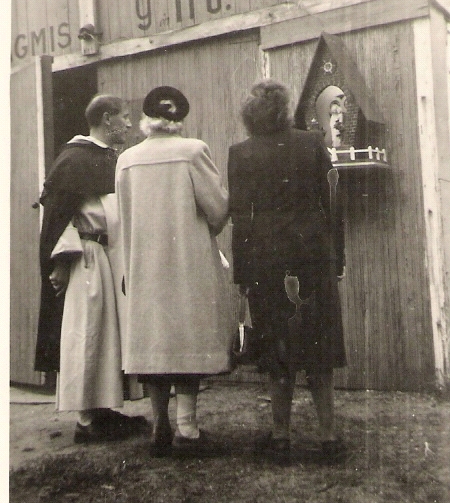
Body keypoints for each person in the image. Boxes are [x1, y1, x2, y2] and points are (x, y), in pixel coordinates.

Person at [228, 79, 347, 462]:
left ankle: (281, 438)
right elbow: (333, 203)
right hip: (313, 258)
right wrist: (337, 259)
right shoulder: (312, 143)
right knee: (320, 350)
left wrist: (242, 275)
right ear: (285, 108)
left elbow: (240, 220)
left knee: (278, 351)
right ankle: (329, 439)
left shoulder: (240, 153)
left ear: (248, 114)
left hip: (267, 260)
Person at [116, 86, 233, 453]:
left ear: (146, 121)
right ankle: (188, 428)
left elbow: (123, 215)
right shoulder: (193, 151)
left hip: (144, 263)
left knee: (154, 342)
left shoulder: (127, 159)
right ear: (179, 120)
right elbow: (217, 210)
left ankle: (160, 427)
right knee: (186, 339)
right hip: (187, 262)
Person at [35, 94, 147, 443]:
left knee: (108, 334)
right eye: (124, 117)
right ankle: (86, 420)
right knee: (88, 333)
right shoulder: (74, 159)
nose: (129, 124)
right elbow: (55, 218)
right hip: (86, 258)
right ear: (106, 118)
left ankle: (103, 409)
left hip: (109, 255)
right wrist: (60, 261)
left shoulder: (108, 158)